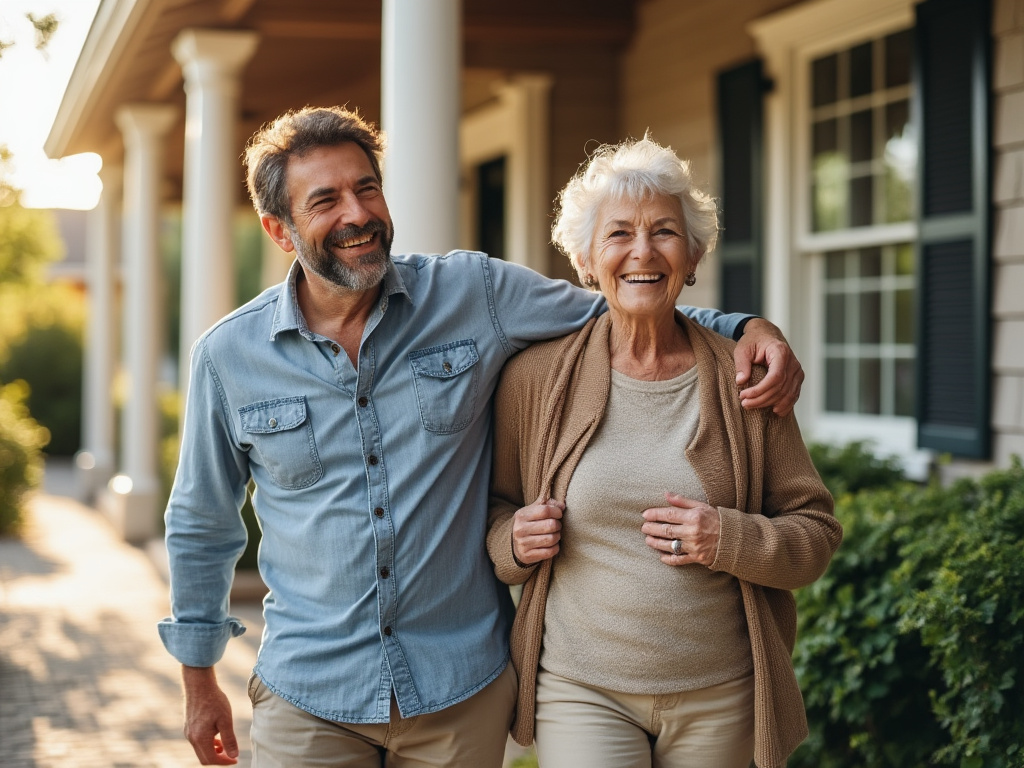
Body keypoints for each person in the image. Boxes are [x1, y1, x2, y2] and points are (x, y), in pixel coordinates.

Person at [158, 106, 805, 768]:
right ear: (279, 230)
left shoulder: (474, 293)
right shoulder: (229, 356)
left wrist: (745, 328)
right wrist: (199, 680)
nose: (357, 213)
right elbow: (201, 523)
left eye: (367, 188)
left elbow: (625, 303)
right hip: (311, 692)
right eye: (326, 201)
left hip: (458, 689)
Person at [486, 135, 842, 768]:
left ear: (693, 255)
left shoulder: (746, 379)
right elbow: (492, 507)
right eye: (619, 234)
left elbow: (815, 532)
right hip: (580, 688)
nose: (643, 252)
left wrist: (729, 538)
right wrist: (511, 541)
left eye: (665, 232)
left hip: (722, 694)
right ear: (586, 261)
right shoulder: (534, 380)